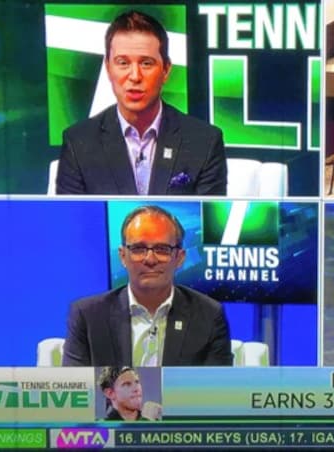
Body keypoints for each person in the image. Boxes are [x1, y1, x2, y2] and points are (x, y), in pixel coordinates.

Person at [56, 10, 226, 195]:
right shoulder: (79, 143)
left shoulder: (204, 142)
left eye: (146, 63)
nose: (135, 76)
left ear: (166, 70)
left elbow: (204, 220)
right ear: (108, 68)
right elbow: (74, 221)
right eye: (123, 63)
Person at [63, 205, 233, 366]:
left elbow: (217, 390)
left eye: (162, 249)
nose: (150, 260)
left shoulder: (209, 315)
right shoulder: (88, 315)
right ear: (123, 256)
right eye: (138, 249)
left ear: (180, 258)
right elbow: (77, 388)